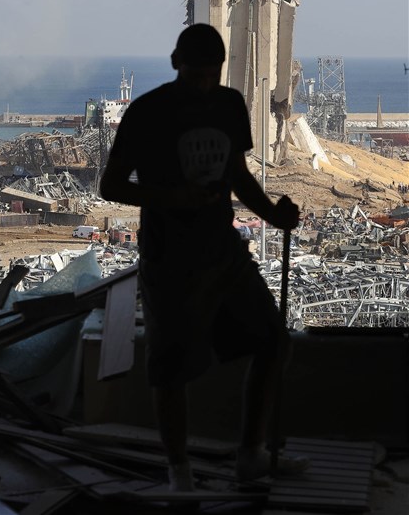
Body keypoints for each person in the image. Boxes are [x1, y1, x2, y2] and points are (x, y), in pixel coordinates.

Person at [99, 24, 309, 492]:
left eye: (210, 76)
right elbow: (109, 186)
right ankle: (180, 472)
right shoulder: (147, 112)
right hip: (169, 259)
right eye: (195, 76)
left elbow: (237, 175)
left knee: (274, 341)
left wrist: (273, 214)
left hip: (222, 250)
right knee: (171, 367)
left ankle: (251, 454)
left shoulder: (230, 104)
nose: (203, 86)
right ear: (177, 64)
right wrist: (171, 198)